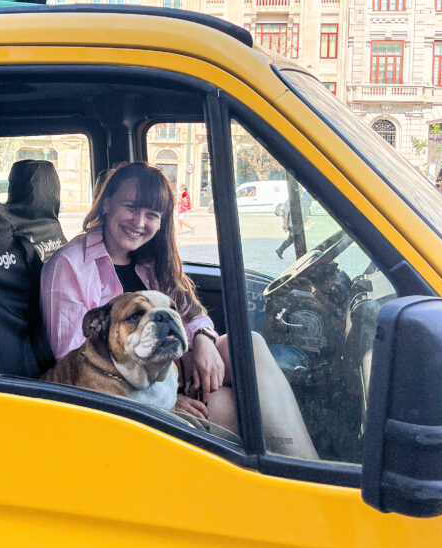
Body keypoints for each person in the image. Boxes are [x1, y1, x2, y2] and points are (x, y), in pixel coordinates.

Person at [41, 162, 317, 458]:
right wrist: (162, 401)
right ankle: (290, 471)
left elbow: (191, 313)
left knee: (249, 343)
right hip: (121, 392)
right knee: (223, 404)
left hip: (168, 370)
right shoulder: (69, 265)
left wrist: (203, 338)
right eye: (130, 207)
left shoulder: (152, 260)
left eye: (152, 214)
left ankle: (305, 465)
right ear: (106, 204)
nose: (139, 222)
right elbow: (77, 361)